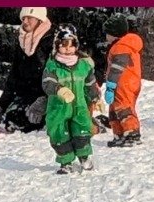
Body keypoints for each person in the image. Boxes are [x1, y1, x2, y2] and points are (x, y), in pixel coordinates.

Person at [42, 25, 101, 175]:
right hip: (59, 108)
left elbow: (90, 83)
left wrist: (95, 97)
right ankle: (66, 161)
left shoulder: (83, 65)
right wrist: (58, 90)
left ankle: (84, 157)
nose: (68, 49)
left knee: (82, 131)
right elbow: (47, 83)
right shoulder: (52, 66)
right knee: (59, 134)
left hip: (79, 106)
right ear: (57, 46)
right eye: (63, 45)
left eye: (72, 44)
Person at [0, 7, 53, 132]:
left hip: (49, 96)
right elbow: (14, 76)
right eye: (23, 18)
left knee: (21, 120)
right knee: (12, 117)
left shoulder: (52, 41)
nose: (25, 22)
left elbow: (61, 76)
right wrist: (2, 106)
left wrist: (45, 99)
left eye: (30, 18)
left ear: (40, 19)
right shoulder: (23, 41)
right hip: (27, 94)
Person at [100, 14, 144, 147]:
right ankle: (119, 133)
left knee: (123, 108)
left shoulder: (122, 47)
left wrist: (111, 84)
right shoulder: (120, 45)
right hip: (124, 83)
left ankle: (132, 133)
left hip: (124, 83)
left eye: (107, 33)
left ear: (114, 33)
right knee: (114, 109)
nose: (106, 37)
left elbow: (116, 68)